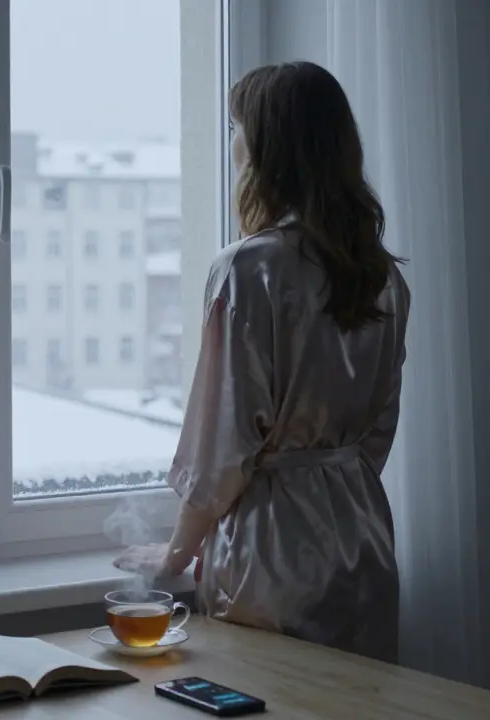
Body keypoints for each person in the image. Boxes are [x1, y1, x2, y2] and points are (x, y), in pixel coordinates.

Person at [114, 61, 409, 663]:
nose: (231, 142)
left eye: (235, 126)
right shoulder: (382, 277)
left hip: (272, 554)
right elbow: (378, 431)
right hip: (363, 538)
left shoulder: (249, 270)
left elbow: (222, 447)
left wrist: (175, 554)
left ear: (267, 148)